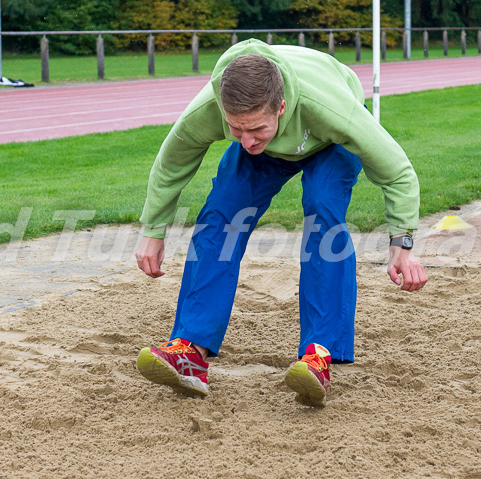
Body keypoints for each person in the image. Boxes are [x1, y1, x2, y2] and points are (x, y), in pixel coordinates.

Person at [134, 39, 427, 407]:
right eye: (236, 128)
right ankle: (190, 349)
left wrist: (402, 244)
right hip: (274, 147)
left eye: (256, 128)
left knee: (323, 212)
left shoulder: (330, 108)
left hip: (325, 141)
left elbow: (397, 171)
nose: (246, 139)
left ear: (281, 107)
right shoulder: (219, 112)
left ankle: (319, 354)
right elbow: (170, 164)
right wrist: (153, 230)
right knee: (220, 217)